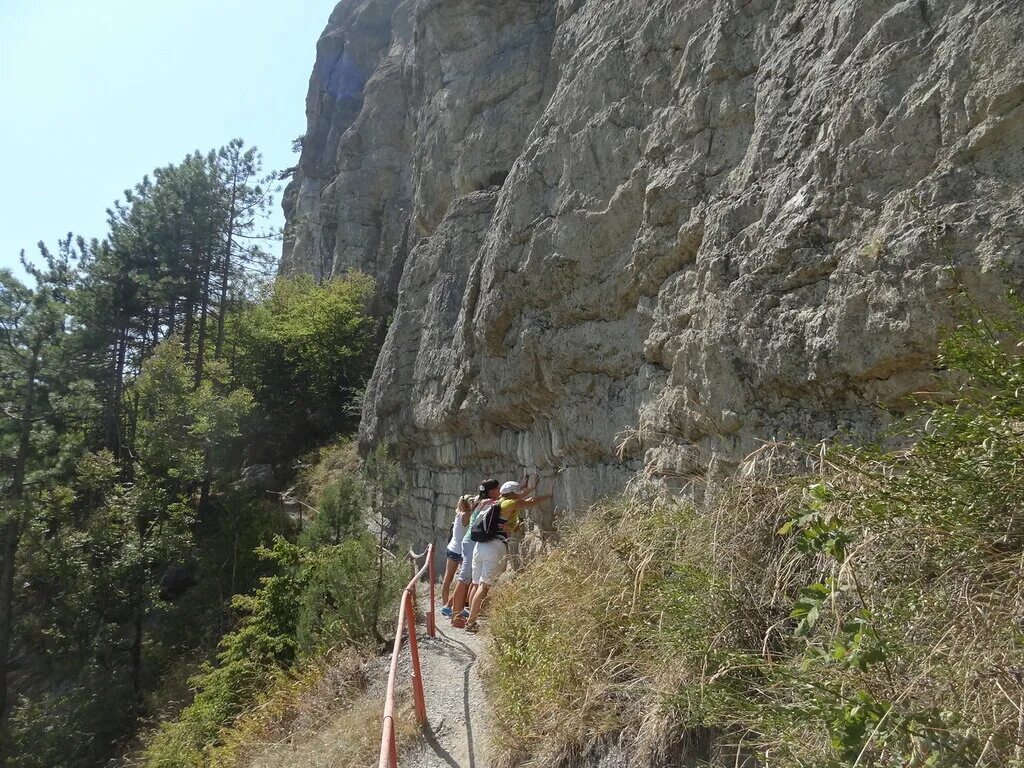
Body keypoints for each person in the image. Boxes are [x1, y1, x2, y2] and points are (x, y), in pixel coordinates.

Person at [461, 479, 553, 633]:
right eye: (516, 493)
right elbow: (529, 502)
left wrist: (529, 487)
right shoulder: (508, 504)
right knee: (483, 587)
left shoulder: (493, 503)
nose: (518, 496)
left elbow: (521, 497)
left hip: (479, 547)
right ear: (512, 494)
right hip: (493, 547)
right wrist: (548, 495)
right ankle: (471, 623)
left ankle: (471, 619)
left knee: (476, 585)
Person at [446, 479, 500, 621]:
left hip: (470, 542)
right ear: (492, 491)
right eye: (498, 488)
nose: (500, 491)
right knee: (464, 578)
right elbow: (509, 501)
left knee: (470, 579)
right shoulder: (487, 502)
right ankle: (456, 616)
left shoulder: (478, 500)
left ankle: (459, 613)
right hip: (471, 543)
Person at [440, 493, 474, 607]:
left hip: (453, 548)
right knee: (465, 579)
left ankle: (445, 604)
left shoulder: (459, 514)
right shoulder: (467, 515)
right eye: (472, 501)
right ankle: (454, 604)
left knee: (447, 579)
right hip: (461, 552)